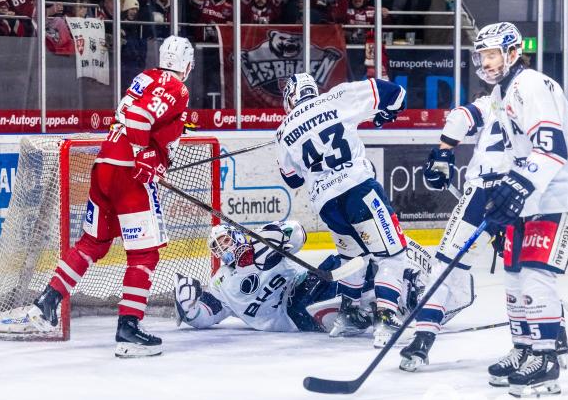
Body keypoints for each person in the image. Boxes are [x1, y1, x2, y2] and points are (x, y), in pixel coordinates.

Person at [28, 36, 195, 358]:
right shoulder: (176, 87)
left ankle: (47, 301)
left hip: (104, 165)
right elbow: (139, 119)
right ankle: (128, 329)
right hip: (128, 175)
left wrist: (155, 146)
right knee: (144, 254)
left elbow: (138, 116)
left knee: (94, 243)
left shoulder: (145, 77)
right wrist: (143, 152)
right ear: (186, 64)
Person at [475, 22, 568, 397]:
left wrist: (517, 185)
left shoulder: (530, 84)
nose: (487, 61)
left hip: (561, 191)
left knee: (534, 272)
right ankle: (524, 347)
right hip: (533, 191)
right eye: (483, 55)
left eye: (494, 53)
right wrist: (501, 188)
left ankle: (546, 357)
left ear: (513, 52)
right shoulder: (503, 91)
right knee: (513, 271)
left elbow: (550, 148)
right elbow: (517, 149)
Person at [274, 73, 407, 348]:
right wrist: (384, 115)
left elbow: (293, 179)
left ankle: (348, 312)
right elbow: (396, 94)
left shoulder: (282, 131)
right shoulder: (338, 96)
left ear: (290, 98)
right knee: (392, 254)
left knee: (353, 258)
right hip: (359, 189)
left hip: (326, 203)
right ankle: (385, 316)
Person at [175, 221, 436, 336]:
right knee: (337, 286)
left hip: (306, 284)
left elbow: (298, 232)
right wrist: (188, 307)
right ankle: (395, 299)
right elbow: (206, 316)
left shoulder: (261, 242)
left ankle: (398, 287)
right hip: (293, 313)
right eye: (218, 247)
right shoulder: (222, 283)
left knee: (345, 260)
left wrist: (275, 236)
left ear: (237, 235)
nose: (224, 248)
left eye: (225, 240)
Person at [397, 94, 506, 371]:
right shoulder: (536, 97)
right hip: (521, 190)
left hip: (483, 189)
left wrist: (443, 154)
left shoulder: (492, 99)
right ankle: (554, 340)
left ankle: (422, 340)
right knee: (527, 270)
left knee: (444, 267)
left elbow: (459, 117)